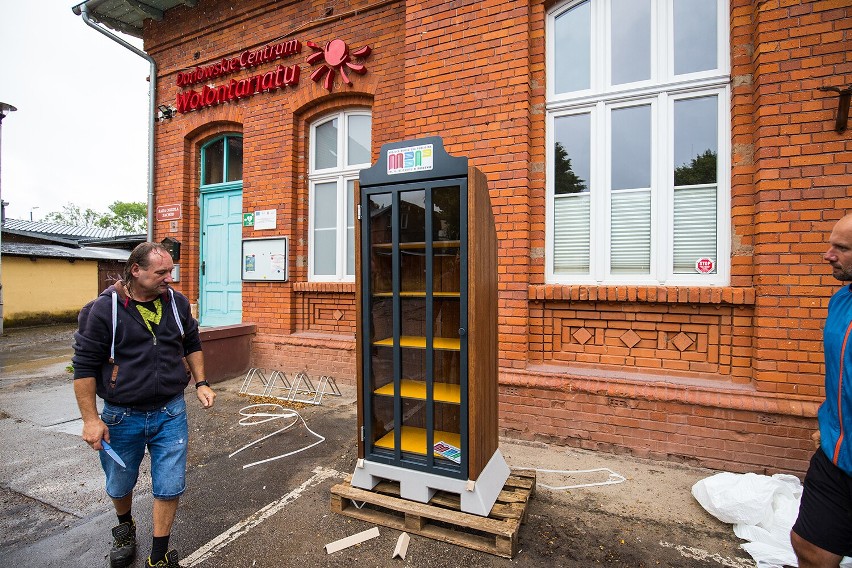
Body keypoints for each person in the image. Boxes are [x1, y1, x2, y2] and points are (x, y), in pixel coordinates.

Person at [72, 242, 216, 568]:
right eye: (161, 272)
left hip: (170, 410)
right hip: (122, 415)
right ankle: (125, 527)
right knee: (120, 483)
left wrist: (202, 382)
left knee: (170, 483)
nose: (170, 277)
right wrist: (91, 419)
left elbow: (191, 342)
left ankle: (159, 554)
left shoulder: (176, 303)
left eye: (170, 270)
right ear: (136, 270)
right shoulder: (102, 310)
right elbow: (83, 368)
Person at [792, 213, 852, 567]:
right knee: (809, 546)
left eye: (842, 248)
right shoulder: (841, 300)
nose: (828, 255)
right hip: (836, 453)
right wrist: (832, 424)